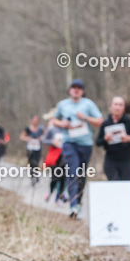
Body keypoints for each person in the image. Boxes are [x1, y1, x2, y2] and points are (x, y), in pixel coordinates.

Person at [53, 79, 103, 218]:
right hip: (69, 143)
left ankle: (78, 203)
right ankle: (73, 206)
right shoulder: (63, 104)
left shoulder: (88, 104)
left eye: (79, 88)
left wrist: (85, 118)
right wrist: (62, 124)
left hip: (85, 144)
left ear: (83, 91)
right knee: (72, 172)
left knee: (81, 174)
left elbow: (100, 121)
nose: (76, 90)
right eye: (74, 87)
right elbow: (54, 120)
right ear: (69, 90)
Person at [96, 97, 130, 180]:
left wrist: (129, 138)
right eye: (115, 104)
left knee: (125, 185)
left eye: (120, 105)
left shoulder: (128, 121)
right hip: (110, 160)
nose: (118, 107)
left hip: (126, 159)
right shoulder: (106, 123)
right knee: (114, 184)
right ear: (111, 107)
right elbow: (98, 142)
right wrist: (105, 139)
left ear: (124, 108)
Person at [41, 116, 68, 203]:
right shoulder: (53, 129)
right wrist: (52, 142)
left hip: (65, 156)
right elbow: (44, 139)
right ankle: (50, 192)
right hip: (55, 157)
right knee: (54, 177)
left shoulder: (67, 130)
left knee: (63, 178)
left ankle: (59, 196)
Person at [20, 116, 44, 185]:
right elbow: (22, 136)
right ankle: (32, 178)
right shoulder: (28, 129)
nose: (35, 121)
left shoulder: (40, 129)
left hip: (37, 148)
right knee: (31, 163)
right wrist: (27, 138)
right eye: (34, 120)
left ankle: (36, 175)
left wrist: (40, 138)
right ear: (31, 120)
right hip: (30, 148)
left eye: (37, 120)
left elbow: (45, 136)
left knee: (36, 163)